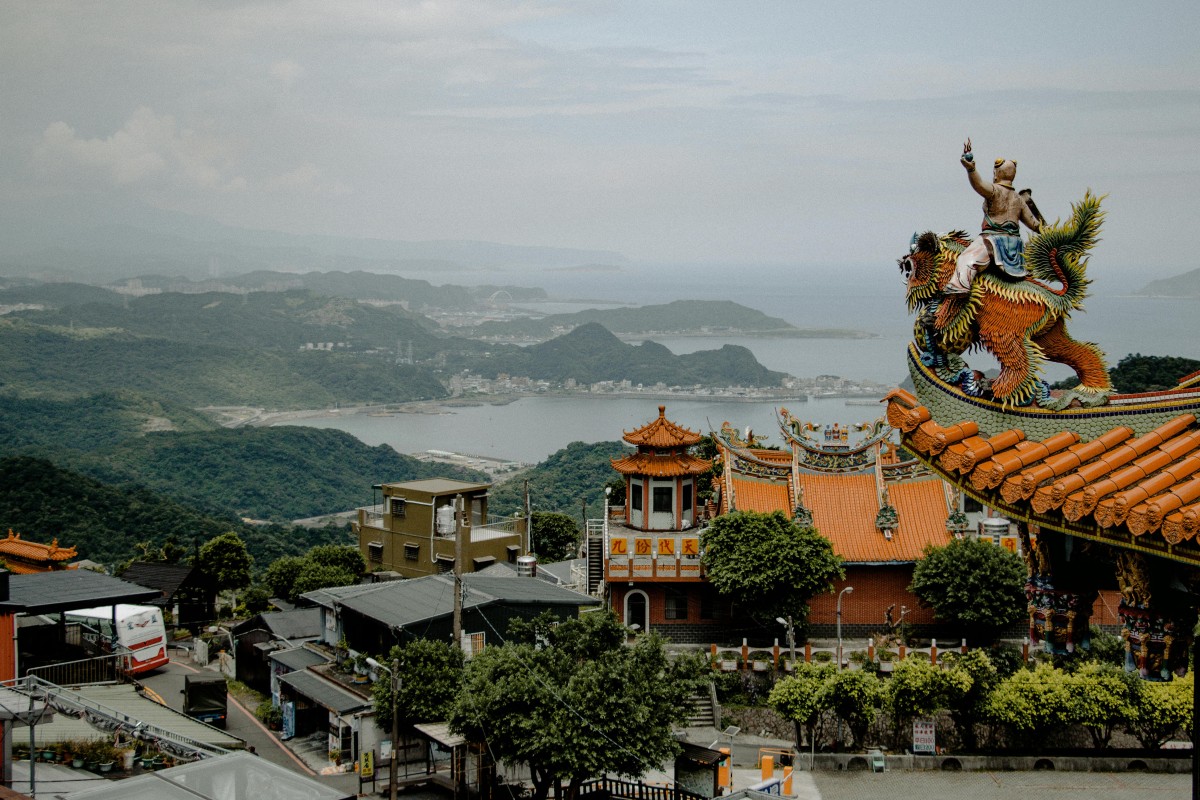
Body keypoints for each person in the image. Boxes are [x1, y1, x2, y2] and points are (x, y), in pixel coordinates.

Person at [946, 139, 1044, 294]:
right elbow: (1035, 225)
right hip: (1016, 246)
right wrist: (1051, 230)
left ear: (997, 174)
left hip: (992, 241)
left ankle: (960, 288)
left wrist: (971, 169)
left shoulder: (995, 191)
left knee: (966, 259)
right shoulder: (1019, 199)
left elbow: (979, 184)